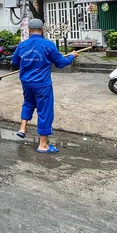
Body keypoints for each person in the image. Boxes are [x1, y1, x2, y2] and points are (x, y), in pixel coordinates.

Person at [12, 19, 78, 154]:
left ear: (29, 31)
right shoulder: (48, 45)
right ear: (42, 30)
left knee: (28, 103)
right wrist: (72, 56)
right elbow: (60, 63)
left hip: (26, 83)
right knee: (45, 112)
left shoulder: (22, 45)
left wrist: (27, 66)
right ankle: (43, 145)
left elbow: (14, 61)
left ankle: (22, 129)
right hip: (42, 84)